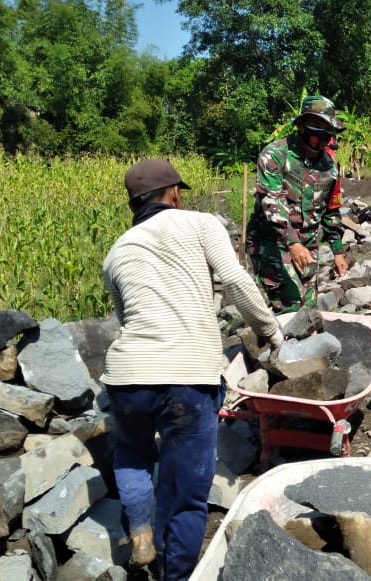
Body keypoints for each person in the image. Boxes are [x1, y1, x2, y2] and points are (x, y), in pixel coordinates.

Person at [101, 159, 285, 580]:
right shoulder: (200, 224)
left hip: (128, 377)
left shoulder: (117, 250)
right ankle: (177, 574)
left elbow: (124, 318)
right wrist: (270, 331)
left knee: (131, 456)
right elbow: (236, 282)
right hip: (188, 377)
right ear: (174, 194)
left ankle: (142, 532)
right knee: (187, 491)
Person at [245, 95, 350, 313]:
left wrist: (337, 251)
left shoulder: (329, 166)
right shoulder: (275, 155)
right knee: (291, 307)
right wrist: (293, 243)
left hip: (307, 243)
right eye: (316, 125)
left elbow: (331, 210)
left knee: (309, 309)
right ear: (301, 125)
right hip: (272, 242)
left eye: (327, 127)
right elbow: (271, 202)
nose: (321, 134)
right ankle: (279, 343)